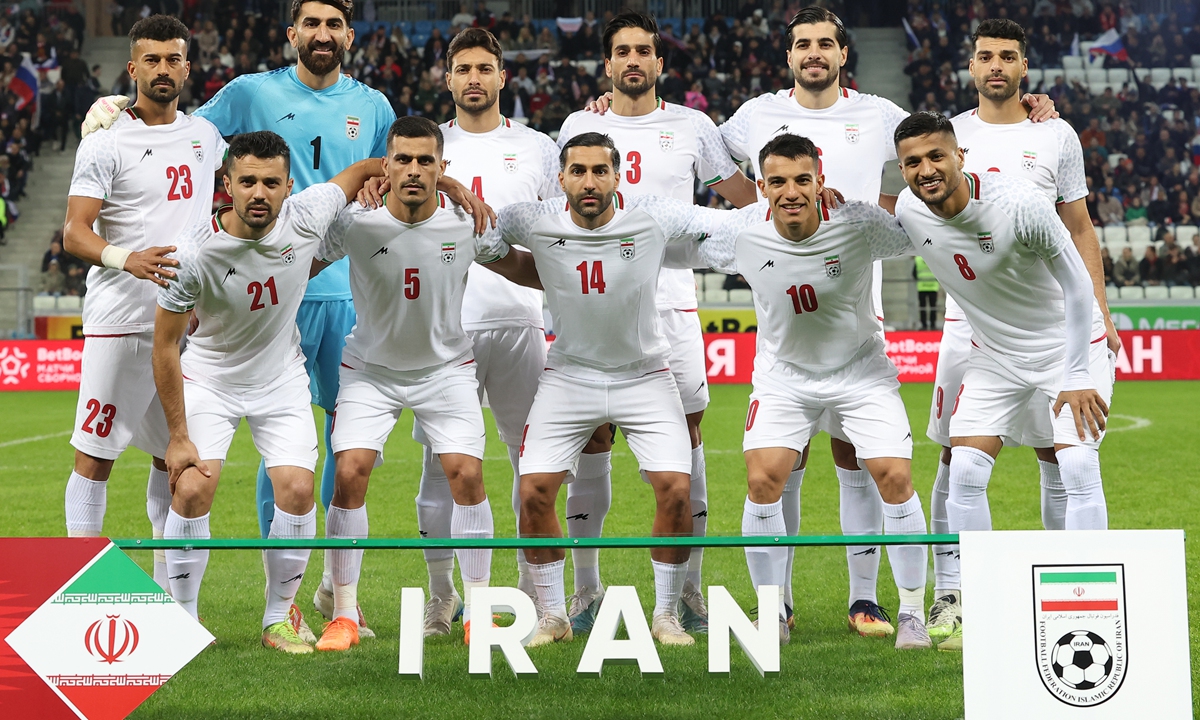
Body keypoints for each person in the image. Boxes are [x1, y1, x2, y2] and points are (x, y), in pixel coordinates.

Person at [714, 6, 1052, 638]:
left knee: (859, 464)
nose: (813, 53)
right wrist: (759, 214)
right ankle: (775, 607)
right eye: (801, 45)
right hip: (783, 322)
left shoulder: (876, 113)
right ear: (788, 56)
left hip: (854, 316)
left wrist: (1030, 111)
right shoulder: (755, 113)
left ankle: (868, 601)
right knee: (776, 468)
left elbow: (946, 148)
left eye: (824, 44)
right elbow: (702, 150)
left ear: (844, 54)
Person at [554, 11, 757, 636]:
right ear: (607, 64)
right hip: (590, 306)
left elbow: (745, 200)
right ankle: (586, 593)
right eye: (622, 52)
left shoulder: (693, 127)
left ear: (660, 63)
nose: (633, 60)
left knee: (689, 441)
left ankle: (687, 591)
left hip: (670, 303)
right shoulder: (579, 126)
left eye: (644, 50)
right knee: (592, 437)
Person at [920, 18, 1117, 650]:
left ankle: (1069, 590)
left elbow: (1080, 227)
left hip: (1049, 316)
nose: (996, 66)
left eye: (1008, 56)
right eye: (985, 57)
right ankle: (952, 594)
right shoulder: (951, 136)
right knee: (956, 455)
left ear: (1025, 67)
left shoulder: (1056, 134)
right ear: (970, 67)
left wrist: (1101, 307)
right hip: (968, 324)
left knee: (1056, 453)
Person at [694, 133, 932, 650]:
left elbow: (925, 229)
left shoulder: (859, 223)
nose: (791, 191)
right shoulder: (740, 232)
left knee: (893, 475)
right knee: (763, 481)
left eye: (803, 179)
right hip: (785, 378)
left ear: (821, 181)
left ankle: (911, 611)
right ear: (761, 187)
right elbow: (674, 237)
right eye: (778, 182)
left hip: (861, 372)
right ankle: (772, 609)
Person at [313, 117, 541, 652]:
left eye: (425, 161)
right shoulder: (355, 224)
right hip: (370, 370)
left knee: (466, 475)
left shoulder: (467, 223)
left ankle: (478, 609)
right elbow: (295, 266)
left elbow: (520, 268)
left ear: (443, 168)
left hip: (446, 370)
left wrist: (585, 277)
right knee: (349, 471)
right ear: (385, 166)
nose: (414, 170)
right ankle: (344, 614)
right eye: (403, 160)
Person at [153, 131, 382, 653]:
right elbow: (165, 346)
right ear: (227, 184)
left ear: (289, 186)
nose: (259, 192)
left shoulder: (307, 214)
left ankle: (278, 619)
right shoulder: (194, 252)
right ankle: (183, 621)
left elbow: (366, 169)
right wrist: (177, 435)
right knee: (191, 490)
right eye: (248, 181)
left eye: (271, 182)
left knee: (299, 491)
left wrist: (443, 184)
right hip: (210, 380)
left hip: (280, 381)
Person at [505, 133, 730, 648]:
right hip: (568, 376)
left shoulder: (650, 216)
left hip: (645, 375)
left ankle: (667, 615)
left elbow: (724, 225)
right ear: (559, 179)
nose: (588, 182)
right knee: (533, 490)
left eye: (599, 171)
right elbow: (480, 230)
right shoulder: (533, 219)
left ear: (618, 176)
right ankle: (553, 616)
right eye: (577, 171)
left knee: (675, 489)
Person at [61, 16, 224, 594]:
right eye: (150, 60)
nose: (162, 68)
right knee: (95, 455)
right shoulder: (105, 141)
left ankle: (165, 593)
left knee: (172, 459)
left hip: (182, 329)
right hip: (120, 323)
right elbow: (75, 233)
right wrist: (127, 258)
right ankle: (80, 586)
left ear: (186, 66)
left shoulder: (206, 136)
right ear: (133, 68)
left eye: (172, 59)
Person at [914, 256, 939, 330]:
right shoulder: (933, 257)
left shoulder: (918, 259)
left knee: (922, 307)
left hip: (922, 287)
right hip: (933, 287)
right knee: (933, 307)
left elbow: (914, 274)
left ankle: (924, 325)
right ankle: (933, 325)